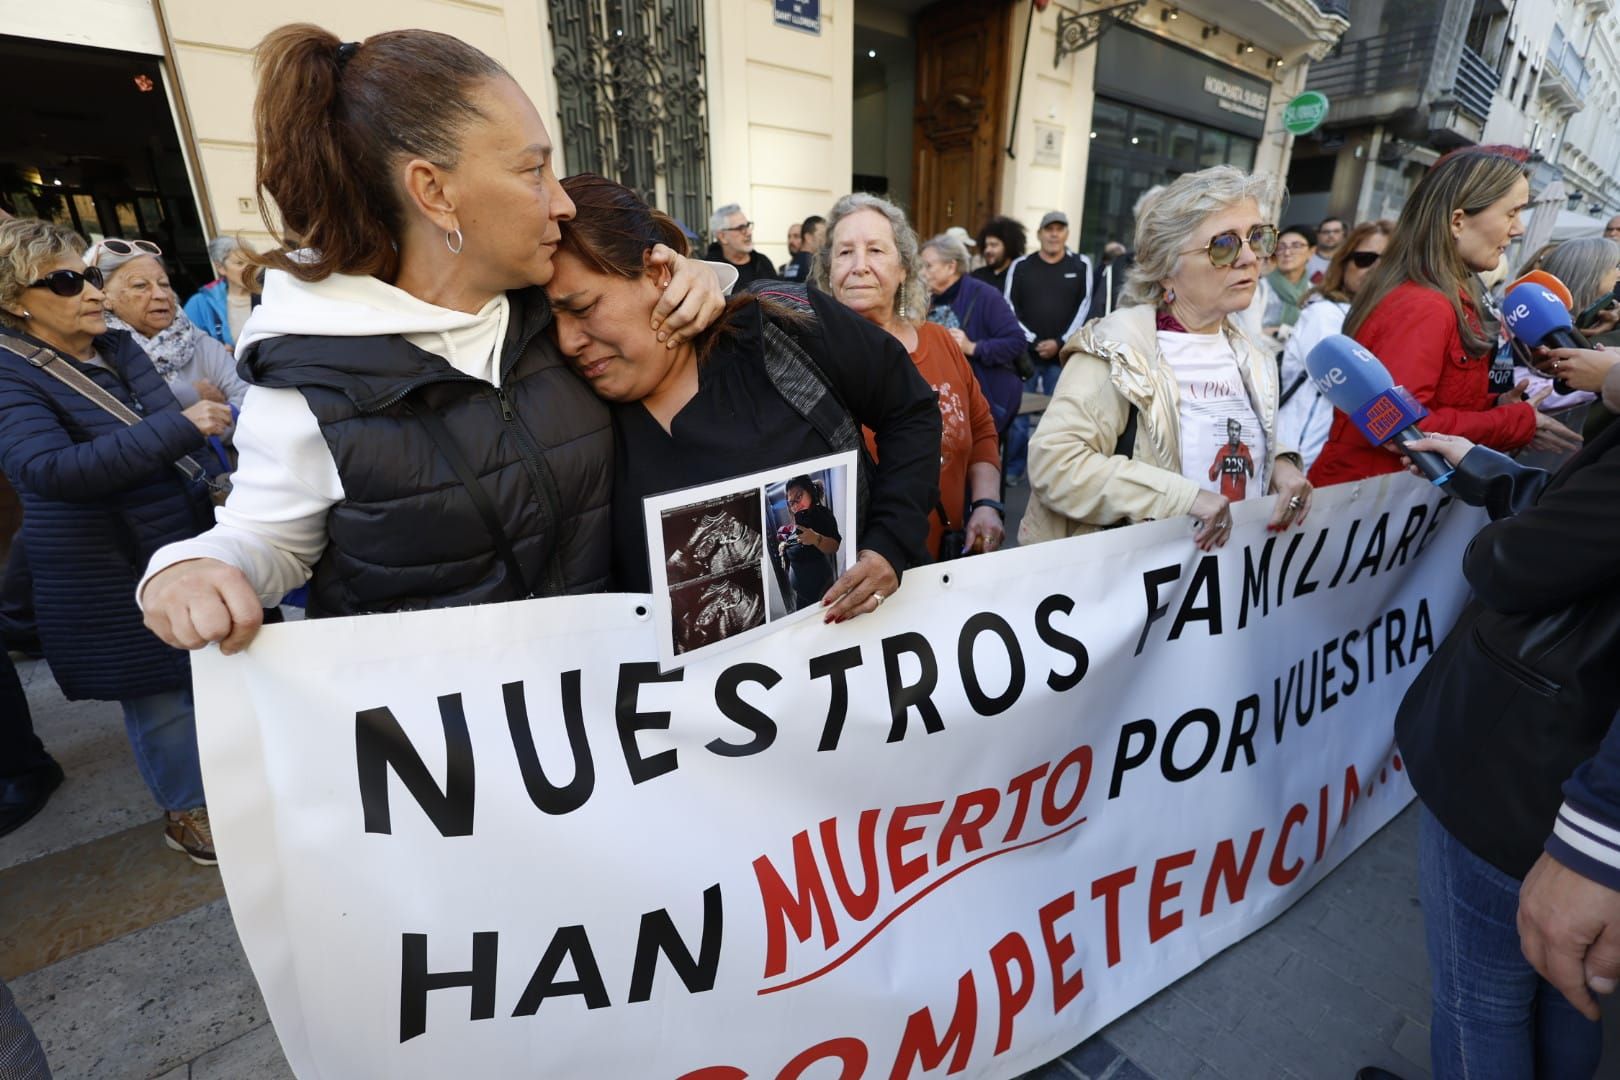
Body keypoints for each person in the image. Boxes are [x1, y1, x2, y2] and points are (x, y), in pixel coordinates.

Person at [139, 25, 726, 653]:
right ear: (434, 191)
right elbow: (267, 540)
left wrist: (700, 277)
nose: (563, 203)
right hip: (436, 711)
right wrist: (191, 568)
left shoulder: (546, 306)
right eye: (534, 169)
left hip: (601, 693)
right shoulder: (306, 380)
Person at [547, 174, 940, 618]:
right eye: (549, 321)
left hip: (859, 644)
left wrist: (889, 543)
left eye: (582, 308)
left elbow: (910, 410)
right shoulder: (566, 407)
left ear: (657, 273)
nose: (567, 341)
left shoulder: (781, 324)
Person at [1390, 392, 1620, 1078]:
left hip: (1526, 766)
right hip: (1559, 758)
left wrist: (1601, 833)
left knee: (1479, 1005)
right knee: (1565, 995)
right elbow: (1583, 520)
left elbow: (1513, 563)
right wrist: (1486, 470)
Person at [0, 217, 231, 864]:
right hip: (106, 565)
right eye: (66, 282)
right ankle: (186, 812)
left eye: (89, 276)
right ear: (16, 300)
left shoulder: (117, 347)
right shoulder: (10, 373)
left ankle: (230, 782)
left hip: (177, 536)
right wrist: (182, 428)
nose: (93, 292)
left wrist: (211, 482)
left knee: (210, 673)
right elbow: (48, 469)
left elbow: (172, 433)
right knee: (159, 696)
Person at [1017, 166, 1313, 549]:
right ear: (1166, 268)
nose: (1249, 258)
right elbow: (1055, 464)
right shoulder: (1117, 348)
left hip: (1224, 576)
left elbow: (1226, 432)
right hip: (1133, 576)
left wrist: (1280, 465)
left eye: (1257, 238)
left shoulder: (1251, 355)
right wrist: (1183, 499)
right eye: (1224, 245)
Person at [1310, 149, 1582, 486]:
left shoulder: (1450, 296)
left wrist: (1496, 406)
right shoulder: (1423, 305)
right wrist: (1513, 422)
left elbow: (1439, 401)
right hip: (1368, 498)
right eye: (1512, 213)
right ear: (1457, 222)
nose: (1519, 229)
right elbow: (1403, 429)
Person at [815, 192, 1003, 560]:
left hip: (947, 560)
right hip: (866, 571)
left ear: (903, 268)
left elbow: (981, 430)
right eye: (844, 252)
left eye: (875, 250)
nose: (859, 266)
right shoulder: (812, 361)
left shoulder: (941, 343)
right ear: (828, 272)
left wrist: (986, 503)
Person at [1276, 219, 1394, 469]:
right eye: (1364, 259)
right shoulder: (1325, 313)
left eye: (1388, 261)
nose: (1375, 268)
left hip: (1341, 458)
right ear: (1344, 263)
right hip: (1301, 457)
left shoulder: (1378, 317)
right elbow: (1352, 387)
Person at [91, 239, 250, 412]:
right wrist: (190, 397)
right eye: (140, 285)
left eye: (164, 284)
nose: (160, 295)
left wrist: (220, 417)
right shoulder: (98, 351)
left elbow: (248, 400)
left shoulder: (192, 338)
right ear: (104, 297)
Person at [1002, 210, 1092, 486]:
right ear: (1040, 233)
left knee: (1059, 418)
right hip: (1025, 356)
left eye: (1059, 229)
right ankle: (1013, 469)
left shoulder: (1081, 265)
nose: (1054, 234)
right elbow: (1008, 305)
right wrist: (1032, 340)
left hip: (1062, 357)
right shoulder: (1021, 265)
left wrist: (1060, 342)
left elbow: (1085, 305)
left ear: (1066, 234)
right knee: (1018, 416)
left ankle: (1051, 474)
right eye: (1049, 229)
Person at [919, 232, 1026, 435]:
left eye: (928, 266)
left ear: (951, 267)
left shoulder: (985, 295)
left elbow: (1016, 341)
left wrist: (973, 347)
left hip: (984, 401)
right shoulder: (926, 299)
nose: (922, 272)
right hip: (942, 405)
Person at [778, 476, 841, 612]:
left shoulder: (822, 514)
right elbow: (798, 540)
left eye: (799, 497)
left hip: (819, 591)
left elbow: (835, 545)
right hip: (802, 594)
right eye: (791, 502)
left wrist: (816, 539)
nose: (795, 505)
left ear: (810, 492)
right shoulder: (800, 520)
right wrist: (785, 545)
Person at [182, 236, 259, 347]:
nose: (248, 269)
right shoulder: (200, 304)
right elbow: (187, 346)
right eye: (240, 263)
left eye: (252, 263)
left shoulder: (268, 295)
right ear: (220, 268)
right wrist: (217, 352)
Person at [705, 203, 777, 287]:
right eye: (741, 228)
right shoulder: (709, 270)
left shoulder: (763, 262)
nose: (749, 233)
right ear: (722, 237)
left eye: (747, 226)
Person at [1263, 224, 1313, 332]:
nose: (1287, 253)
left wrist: (1280, 331)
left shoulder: (1314, 294)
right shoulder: (1260, 287)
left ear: (1311, 252)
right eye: (1281, 247)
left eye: (1296, 246)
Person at [971, 215, 1025, 294]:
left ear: (1009, 247)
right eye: (986, 246)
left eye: (993, 245)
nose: (987, 250)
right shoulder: (977, 276)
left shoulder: (1020, 278)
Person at [781, 214, 824, 283]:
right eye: (789, 237)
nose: (791, 241)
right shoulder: (810, 263)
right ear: (808, 237)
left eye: (796, 236)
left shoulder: (799, 262)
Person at [1305, 215, 1345, 282]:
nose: (1331, 235)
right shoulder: (1305, 258)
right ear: (1318, 235)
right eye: (1326, 232)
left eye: (1336, 231)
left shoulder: (1347, 261)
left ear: (1343, 235)